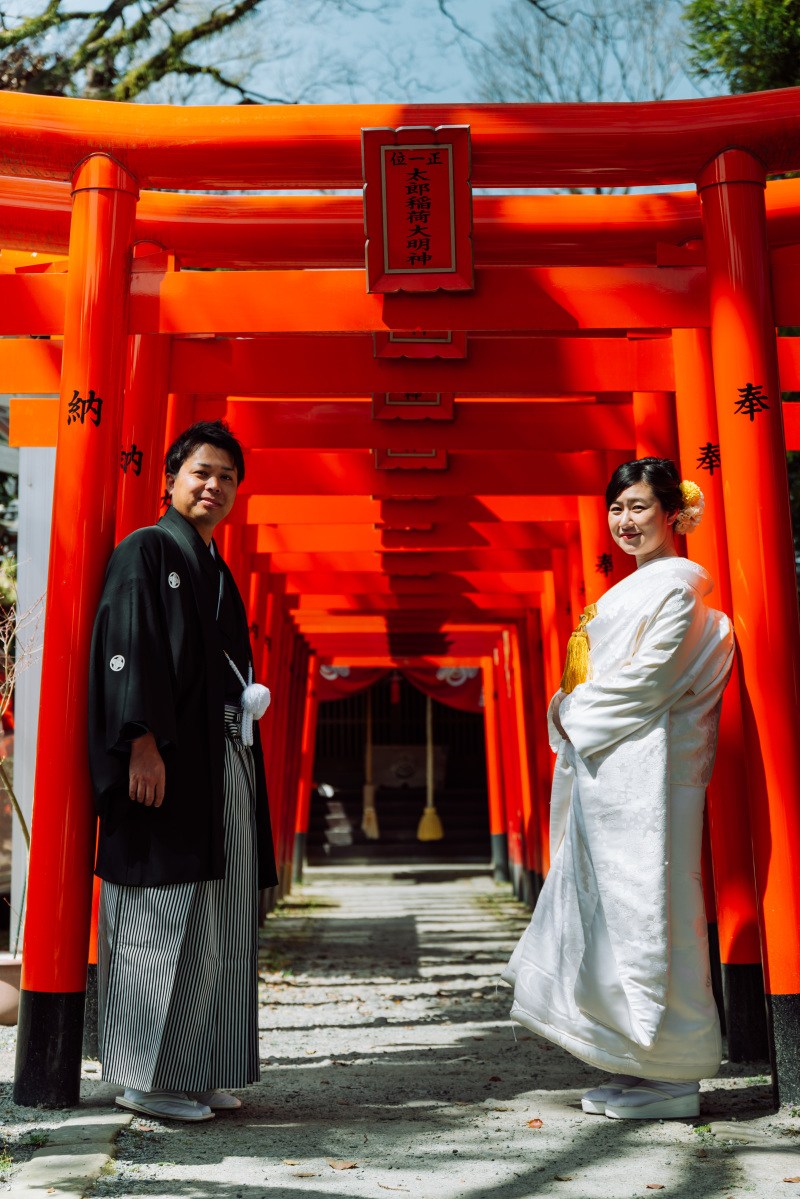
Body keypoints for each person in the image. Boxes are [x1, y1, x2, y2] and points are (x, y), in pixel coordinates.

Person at [504, 458, 734, 1120]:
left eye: (640, 507)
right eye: (618, 509)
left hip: (655, 779)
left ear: (672, 514)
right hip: (612, 775)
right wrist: (569, 708)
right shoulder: (629, 591)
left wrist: (569, 712)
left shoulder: (679, 591)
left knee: (657, 917)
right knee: (608, 919)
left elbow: (649, 680)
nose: (627, 521)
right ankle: (638, 1064)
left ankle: (676, 1075)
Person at [89, 420, 277, 1122]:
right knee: (157, 915)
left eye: (227, 477)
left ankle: (197, 1068)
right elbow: (128, 644)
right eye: (201, 472)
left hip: (221, 753)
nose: (214, 486)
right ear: (169, 479)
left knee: (216, 920)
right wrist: (140, 741)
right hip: (165, 758)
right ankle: (145, 1077)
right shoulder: (147, 549)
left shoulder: (213, 564)